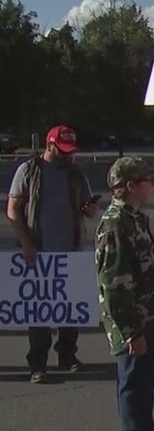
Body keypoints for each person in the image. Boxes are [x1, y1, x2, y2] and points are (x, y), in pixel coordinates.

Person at [96, 157, 154, 431]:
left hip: (148, 320)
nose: (153, 184)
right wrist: (132, 331)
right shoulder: (116, 224)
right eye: (148, 180)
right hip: (134, 326)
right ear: (130, 186)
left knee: (144, 391)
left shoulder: (134, 218)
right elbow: (114, 285)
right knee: (132, 392)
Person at [6, 125, 98, 383]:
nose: (68, 155)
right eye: (63, 149)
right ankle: (38, 363)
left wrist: (90, 208)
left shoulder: (76, 174)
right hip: (38, 251)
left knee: (70, 310)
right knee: (39, 313)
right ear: (49, 145)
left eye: (71, 150)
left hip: (71, 250)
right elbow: (13, 210)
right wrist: (25, 242)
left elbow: (88, 208)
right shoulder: (29, 170)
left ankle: (68, 355)